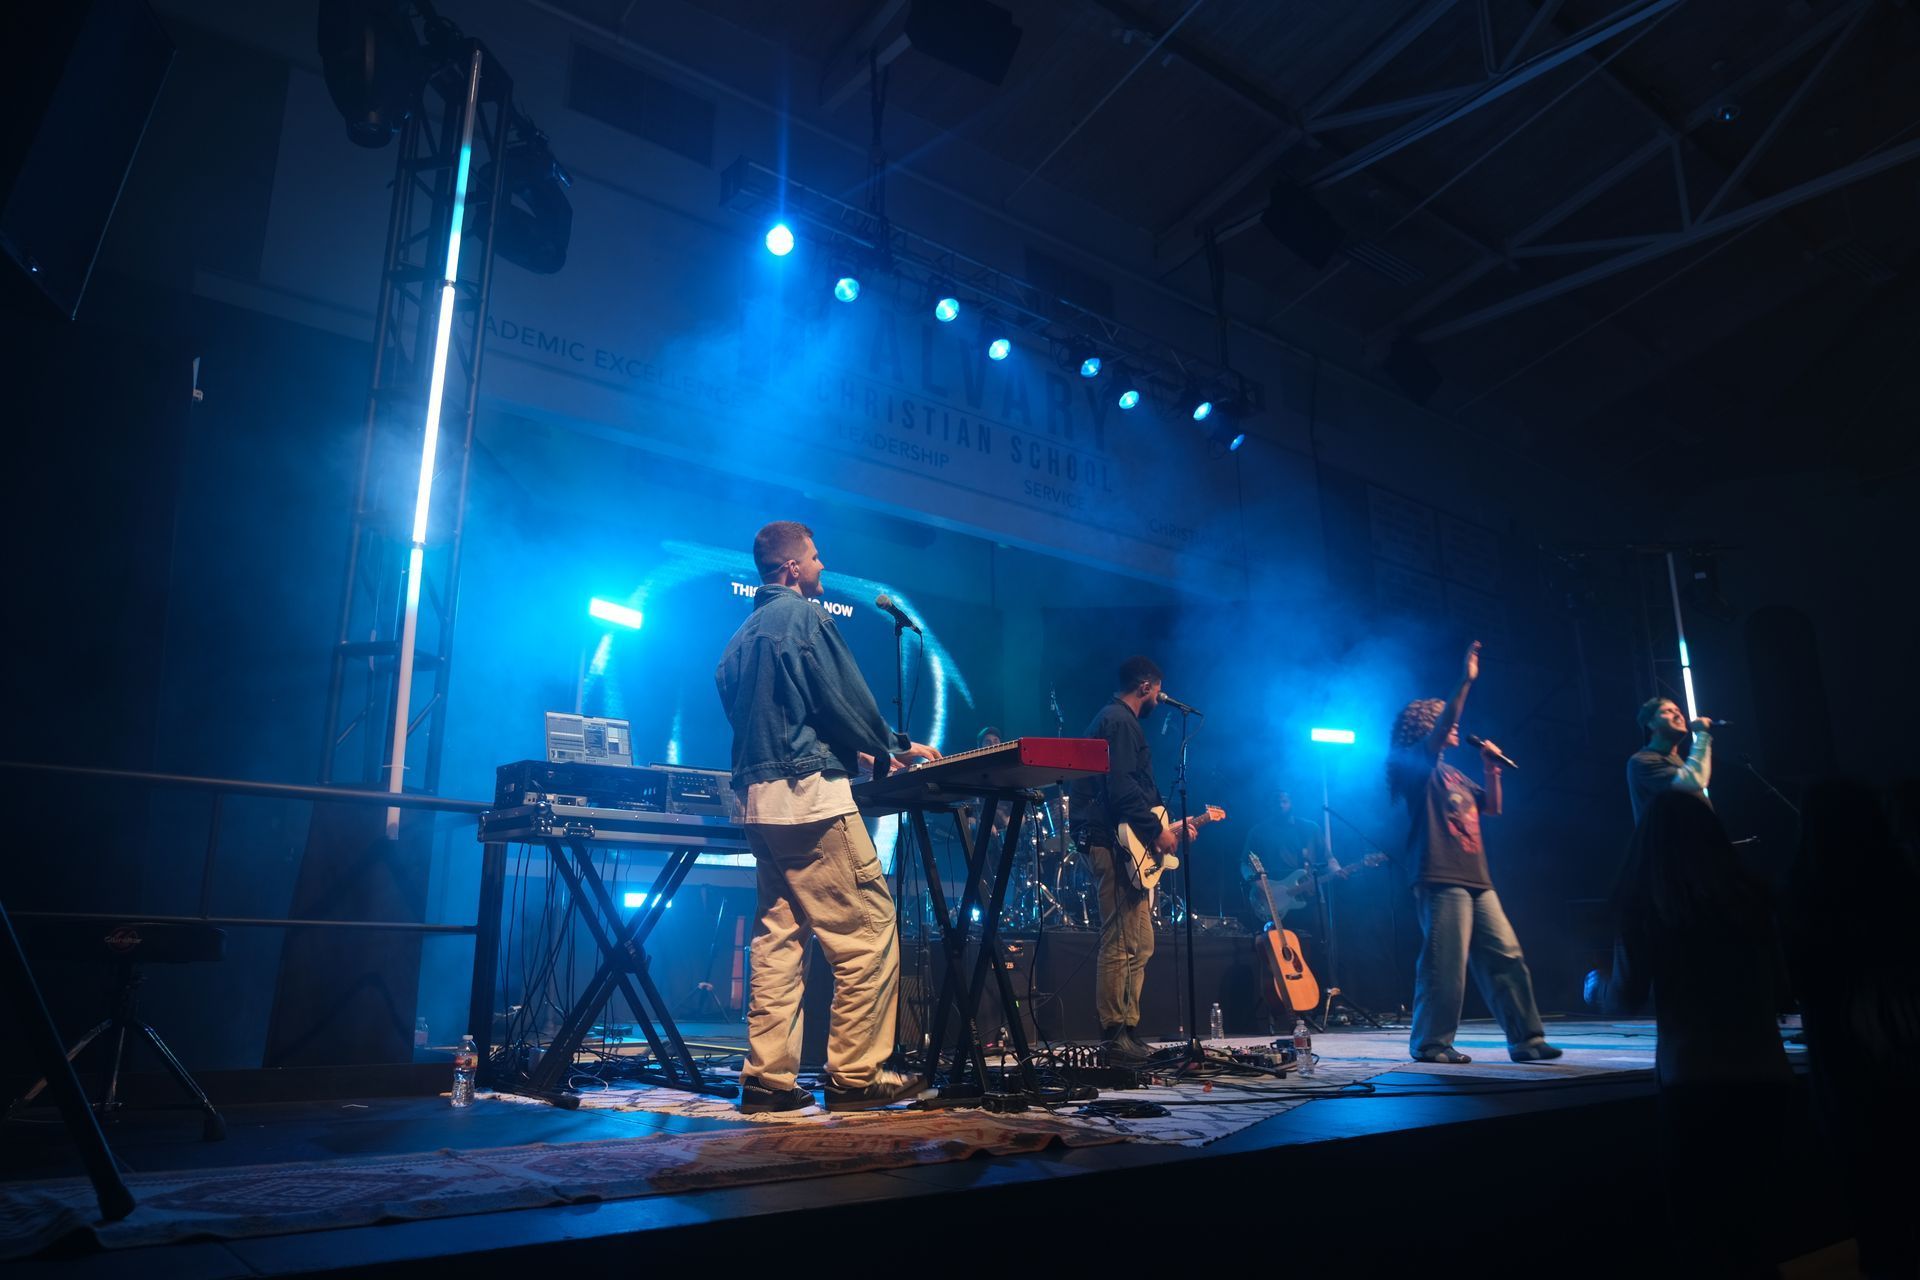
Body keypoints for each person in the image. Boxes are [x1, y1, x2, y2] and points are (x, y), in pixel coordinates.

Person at [715, 520, 940, 1114]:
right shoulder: (806, 619)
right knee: (868, 931)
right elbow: (843, 699)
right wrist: (890, 744)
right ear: (791, 568)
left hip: (758, 804)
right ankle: (857, 1077)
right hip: (809, 801)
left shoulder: (740, 637)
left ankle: (767, 1080)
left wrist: (848, 750)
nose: (821, 566)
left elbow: (780, 713)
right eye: (815, 558)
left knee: (780, 938)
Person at [1611, 789, 1797, 1274]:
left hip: (1694, 1081)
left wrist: (1594, 987)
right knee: (1760, 1232)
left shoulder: (1650, 905)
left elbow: (1624, 996)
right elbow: (1784, 991)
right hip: (1767, 1078)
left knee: (1702, 1234)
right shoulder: (1753, 899)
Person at [1386, 640, 1559, 1065]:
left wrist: (1491, 768)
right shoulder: (1415, 764)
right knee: (1445, 963)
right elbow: (1449, 716)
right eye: (1442, 719)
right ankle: (1431, 1043)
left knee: (1507, 955)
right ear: (1427, 726)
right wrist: (1465, 680)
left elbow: (1493, 807)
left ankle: (1526, 1039)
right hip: (1439, 874)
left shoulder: (1455, 772)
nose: (1455, 726)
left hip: (1476, 876)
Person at [1786, 780, 1920, 1277]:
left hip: (1847, 1074)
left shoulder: (1802, 894)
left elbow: (1792, 982)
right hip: (1901, 1057)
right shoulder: (1903, 886)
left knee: (1875, 1215)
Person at [1067, 655, 1192, 1062]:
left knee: (1140, 943)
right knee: (1119, 941)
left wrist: (1165, 827)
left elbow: (1136, 792)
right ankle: (1112, 1034)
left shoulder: (1120, 721)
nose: (1161, 696)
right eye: (1158, 689)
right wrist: (1156, 831)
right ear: (1145, 687)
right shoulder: (1118, 721)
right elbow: (1121, 788)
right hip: (1110, 841)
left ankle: (1129, 1028)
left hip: (1127, 844)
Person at [1241, 789, 1338, 938]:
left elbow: (1329, 858)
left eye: (1284, 801)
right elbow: (1245, 864)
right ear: (1269, 806)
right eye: (1276, 802)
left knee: (1318, 943)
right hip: (1273, 902)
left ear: (1291, 803)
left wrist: (1337, 869)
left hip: (1309, 898)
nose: (1280, 805)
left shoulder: (1310, 828)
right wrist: (1258, 884)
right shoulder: (1258, 832)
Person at [1626, 696, 1716, 826]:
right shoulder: (1642, 761)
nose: (1677, 714)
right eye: (1668, 711)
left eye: (1678, 710)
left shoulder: (1679, 762)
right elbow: (1694, 779)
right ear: (1651, 724)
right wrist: (1702, 735)